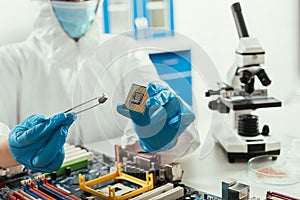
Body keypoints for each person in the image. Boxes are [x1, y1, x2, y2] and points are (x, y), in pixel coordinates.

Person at [0, 0, 199, 172]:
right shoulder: (9, 61)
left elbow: (157, 106)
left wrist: (161, 128)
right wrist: (11, 149)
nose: (78, 3)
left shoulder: (124, 50)